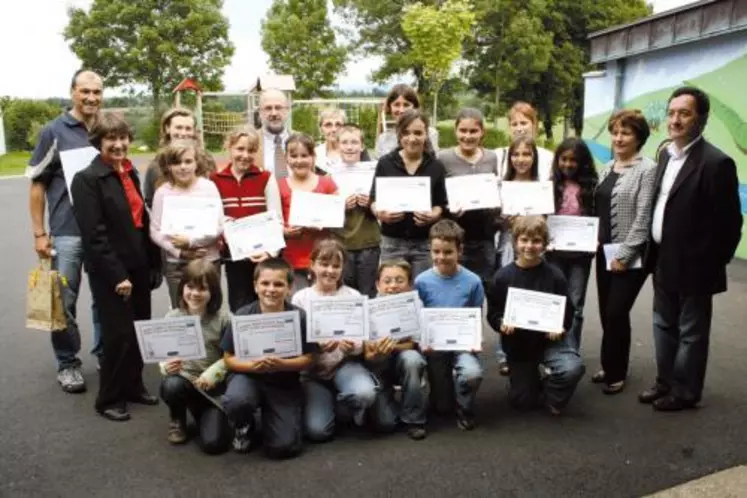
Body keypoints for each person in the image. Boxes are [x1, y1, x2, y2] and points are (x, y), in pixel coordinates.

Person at [640, 87, 742, 411]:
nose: (675, 119)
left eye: (684, 113)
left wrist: (710, 262)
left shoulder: (716, 163)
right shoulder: (665, 155)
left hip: (696, 267)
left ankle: (685, 391)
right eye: (671, 113)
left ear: (701, 118)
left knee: (691, 333)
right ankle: (665, 382)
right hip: (663, 260)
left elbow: (730, 225)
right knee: (662, 326)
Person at [70, 112, 162, 421]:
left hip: (137, 263)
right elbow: (94, 235)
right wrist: (117, 275)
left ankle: (133, 386)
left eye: (123, 137)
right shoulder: (86, 179)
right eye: (112, 138)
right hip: (112, 271)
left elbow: (141, 221)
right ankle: (108, 398)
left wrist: (152, 263)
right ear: (99, 142)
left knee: (138, 330)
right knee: (117, 335)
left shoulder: (129, 172)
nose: (119, 144)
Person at [27, 69, 104, 393]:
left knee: (106, 299)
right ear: (72, 91)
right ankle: (68, 363)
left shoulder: (106, 127)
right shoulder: (54, 131)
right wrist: (39, 233)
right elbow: (37, 184)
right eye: (84, 91)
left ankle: (105, 354)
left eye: (96, 92)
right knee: (64, 301)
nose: (90, 98)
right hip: (67, 232)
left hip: (102, 232)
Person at [221, 258, 319, 459]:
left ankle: (272, 416)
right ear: (255, 286)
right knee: (237, 400)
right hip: (248, 376)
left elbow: (309, 358)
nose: (271, 289)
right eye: (265, 283)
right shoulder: (242, 315)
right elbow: (228, 358)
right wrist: (251, 366)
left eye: (279, 284)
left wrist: (283, 364)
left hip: (283, 382)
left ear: (289, 288)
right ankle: (243, 424)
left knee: (284, 447)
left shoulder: (299, 317)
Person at [291, 239, 387, 441]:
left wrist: (352, 346)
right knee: (318, 432)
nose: (330, 270)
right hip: (313, 372)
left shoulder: (353, 295)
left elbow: (363, 340)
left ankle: (345, 405)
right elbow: (295, 342)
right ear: (312, 265)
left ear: (343, 268)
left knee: (365, 394)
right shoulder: (300, 298)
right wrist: (316, 346)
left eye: (336, 265)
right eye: (324, 264)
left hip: (345, 364)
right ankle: (335, 404)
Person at [487, 216, 584, 415]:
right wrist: (501, 322)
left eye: (536, 241)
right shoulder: (502, 277)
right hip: (519, 345)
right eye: (524, 240)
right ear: (515, 242)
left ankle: (552, 393)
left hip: (550, 342)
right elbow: (493, 312)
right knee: (522, 402)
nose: (529, 246)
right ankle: (526, 383)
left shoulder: (555, 275)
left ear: (545, 244)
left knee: (572, 368)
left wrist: (560, 327)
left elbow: (568, 309)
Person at [591, 109, 656, 395]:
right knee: (607, 312)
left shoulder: (647, 169)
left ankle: (617, 373)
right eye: (615, 132)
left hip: (630, 255)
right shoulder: (607, 166)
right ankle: (609, 364)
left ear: (639, 137)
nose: (618, 138)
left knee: (617, 312)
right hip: (603, 252)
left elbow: (644, 217)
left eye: (626, 132)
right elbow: (600, 210)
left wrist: (625, 255)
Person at [415, 220, 484, 430]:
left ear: (459, 250)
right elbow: (418, 318)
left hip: (462, 344)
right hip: (435, 347)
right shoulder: (421, 281)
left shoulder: (473, 281)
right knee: (442, 408)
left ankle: (465, 407)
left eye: (448, 252)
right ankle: (443, 395)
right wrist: (422, 342)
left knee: (472, 374)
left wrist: (476, 340)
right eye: (436, 251)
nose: (441, 257)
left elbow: (477, 314)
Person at [158, 259, 232, 454]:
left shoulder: (224, 319)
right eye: (190, 287)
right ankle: (177, 418)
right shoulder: (172, 318)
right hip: (183, 381)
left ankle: (202, 411)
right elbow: (163, 355)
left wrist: (214, 373)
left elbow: (232, 356)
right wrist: (166, 367)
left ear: (213, 292)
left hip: (213, 388)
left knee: (214, 444)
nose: (195, 293)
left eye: (203, 289)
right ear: (182, 288)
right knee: (171, 385)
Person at [210, 126, 281, 312]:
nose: (245, 155)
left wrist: (270, 253)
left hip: (264, 257)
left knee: (267, 306)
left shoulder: (266, 178)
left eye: (251, 150)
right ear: (229, 148)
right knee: (240, 307)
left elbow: (276, 219)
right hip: (235, 258)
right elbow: (216, 219)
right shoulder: (215, 180)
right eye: (240, 149)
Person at [370, 110, 448, 278]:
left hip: (424, 242)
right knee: (392, 291)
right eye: (406, 133)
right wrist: (380, 212)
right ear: (399, 134)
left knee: (423, 290)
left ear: (426, 134)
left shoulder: (436, 166)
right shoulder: (385, 163)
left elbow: (441, 203)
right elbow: (374, 198)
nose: (412, 138)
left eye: (418, 133)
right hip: (392, 241)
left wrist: (434, 214)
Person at [149, 139, 222, 309]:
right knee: (181, 311)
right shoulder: (162, 192)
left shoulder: (209, 188)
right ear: (168, 166)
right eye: (176, 162)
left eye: (188, 161)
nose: (183, 167)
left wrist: (191, 243)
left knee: (211, 309)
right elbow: (155, 231)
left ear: (197, 163)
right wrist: (180, 251)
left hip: (208, 260)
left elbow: (218, 226)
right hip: (176, 264)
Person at [364, 260, 428, 440]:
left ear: (409, 284)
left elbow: (413, 343)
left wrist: (393, 346)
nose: (393, 286)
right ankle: (387, 401)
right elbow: (367, 353)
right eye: (387, 280)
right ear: (378, 284)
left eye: (400, 280)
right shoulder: (368, 308)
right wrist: (377, 351)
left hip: (403, 357)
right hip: (378, 363)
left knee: (413, 359)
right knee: (385, 424)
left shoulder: (416, 304)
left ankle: (414, 418)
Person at [545, 138, 599, 349]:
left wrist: (596, 238)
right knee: (554, 301)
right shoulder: (550, 185)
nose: (567, 164)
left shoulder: (591, 187)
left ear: (583, 162)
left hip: (580, 257)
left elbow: (597, 218)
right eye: (563, 159)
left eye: (573, 160)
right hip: (554, 254)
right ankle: (551, 350)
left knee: (575, 304)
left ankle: (571, 350)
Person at [494, 135, 541, 375]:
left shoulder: (542, 186)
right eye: (516, 154)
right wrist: (503, 219)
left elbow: (547, 221)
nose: (521, 160)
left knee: (532, 295)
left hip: (533, 249)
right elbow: (493, 219)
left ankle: (534, 350)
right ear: (509, 158)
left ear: (534, 157)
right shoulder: (501, 186)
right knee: (508, 296)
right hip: (508, 247)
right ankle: (505, 352)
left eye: (526, 154)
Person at [438, 108, 500, 286]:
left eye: (473, 131)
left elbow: (494, 190)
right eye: (463, 131)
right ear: (455, 131)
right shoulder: (443, 158)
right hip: (456, 237)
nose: (468, 136)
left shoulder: (491, 157)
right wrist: (449, 207)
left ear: (482, 132)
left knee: (484, 286)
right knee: (456, 286)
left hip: (485, 236)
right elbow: (439, 195)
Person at [279, 133, 339, 291]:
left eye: (304, 155)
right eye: (293, 156)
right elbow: (272, 221)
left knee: (323, 304)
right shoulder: (279, 185)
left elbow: (338, 216)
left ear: (313, 156)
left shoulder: (327, 183)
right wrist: (284, 231)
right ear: (286, 158)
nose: (299, 161)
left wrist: (321, 223)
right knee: (297, 304)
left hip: (323, 260)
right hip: (292, 258)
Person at [333, 124, 381, 297]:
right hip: (340, 242)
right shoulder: (329, 174)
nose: (349, 146)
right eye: (344, 142)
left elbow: (386, 203)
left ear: (362, 146)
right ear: (337, 146)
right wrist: (340, 205)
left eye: (354, 142)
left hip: (368, 242)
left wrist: (371, 202)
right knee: (344, 294)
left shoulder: (374, 171)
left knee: (367, 293)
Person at [142, 108, 215, 208]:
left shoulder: (207, 160)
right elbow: (150, 200)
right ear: (167, 128)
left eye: (188, 128)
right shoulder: (156, 165)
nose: (183, 133)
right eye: (179, 127)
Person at [375, 84, 439, 157]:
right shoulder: (383, 139)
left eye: (406, 105)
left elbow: (433, 162)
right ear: (390, 107)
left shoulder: (430, 134)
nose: (401, 110)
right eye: (396, 104)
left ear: (415, 107)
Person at [495, 101, 554, 181]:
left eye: (523, 123)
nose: (519, 129)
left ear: (534, 125)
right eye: (514, 124)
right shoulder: (498, 155)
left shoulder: (549, 158)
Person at [258, 89, 292, 178]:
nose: (274, 113)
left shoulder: (301, 139)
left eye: (278, 107)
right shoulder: (250, 141)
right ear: (260, 112)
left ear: (287, 110)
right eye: (268, 108)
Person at [315, 108, 345, 173]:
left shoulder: (354, 152)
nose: (334, 129)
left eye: (338, 125)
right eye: (328, 125)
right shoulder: (314, 154)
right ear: (321, 129)